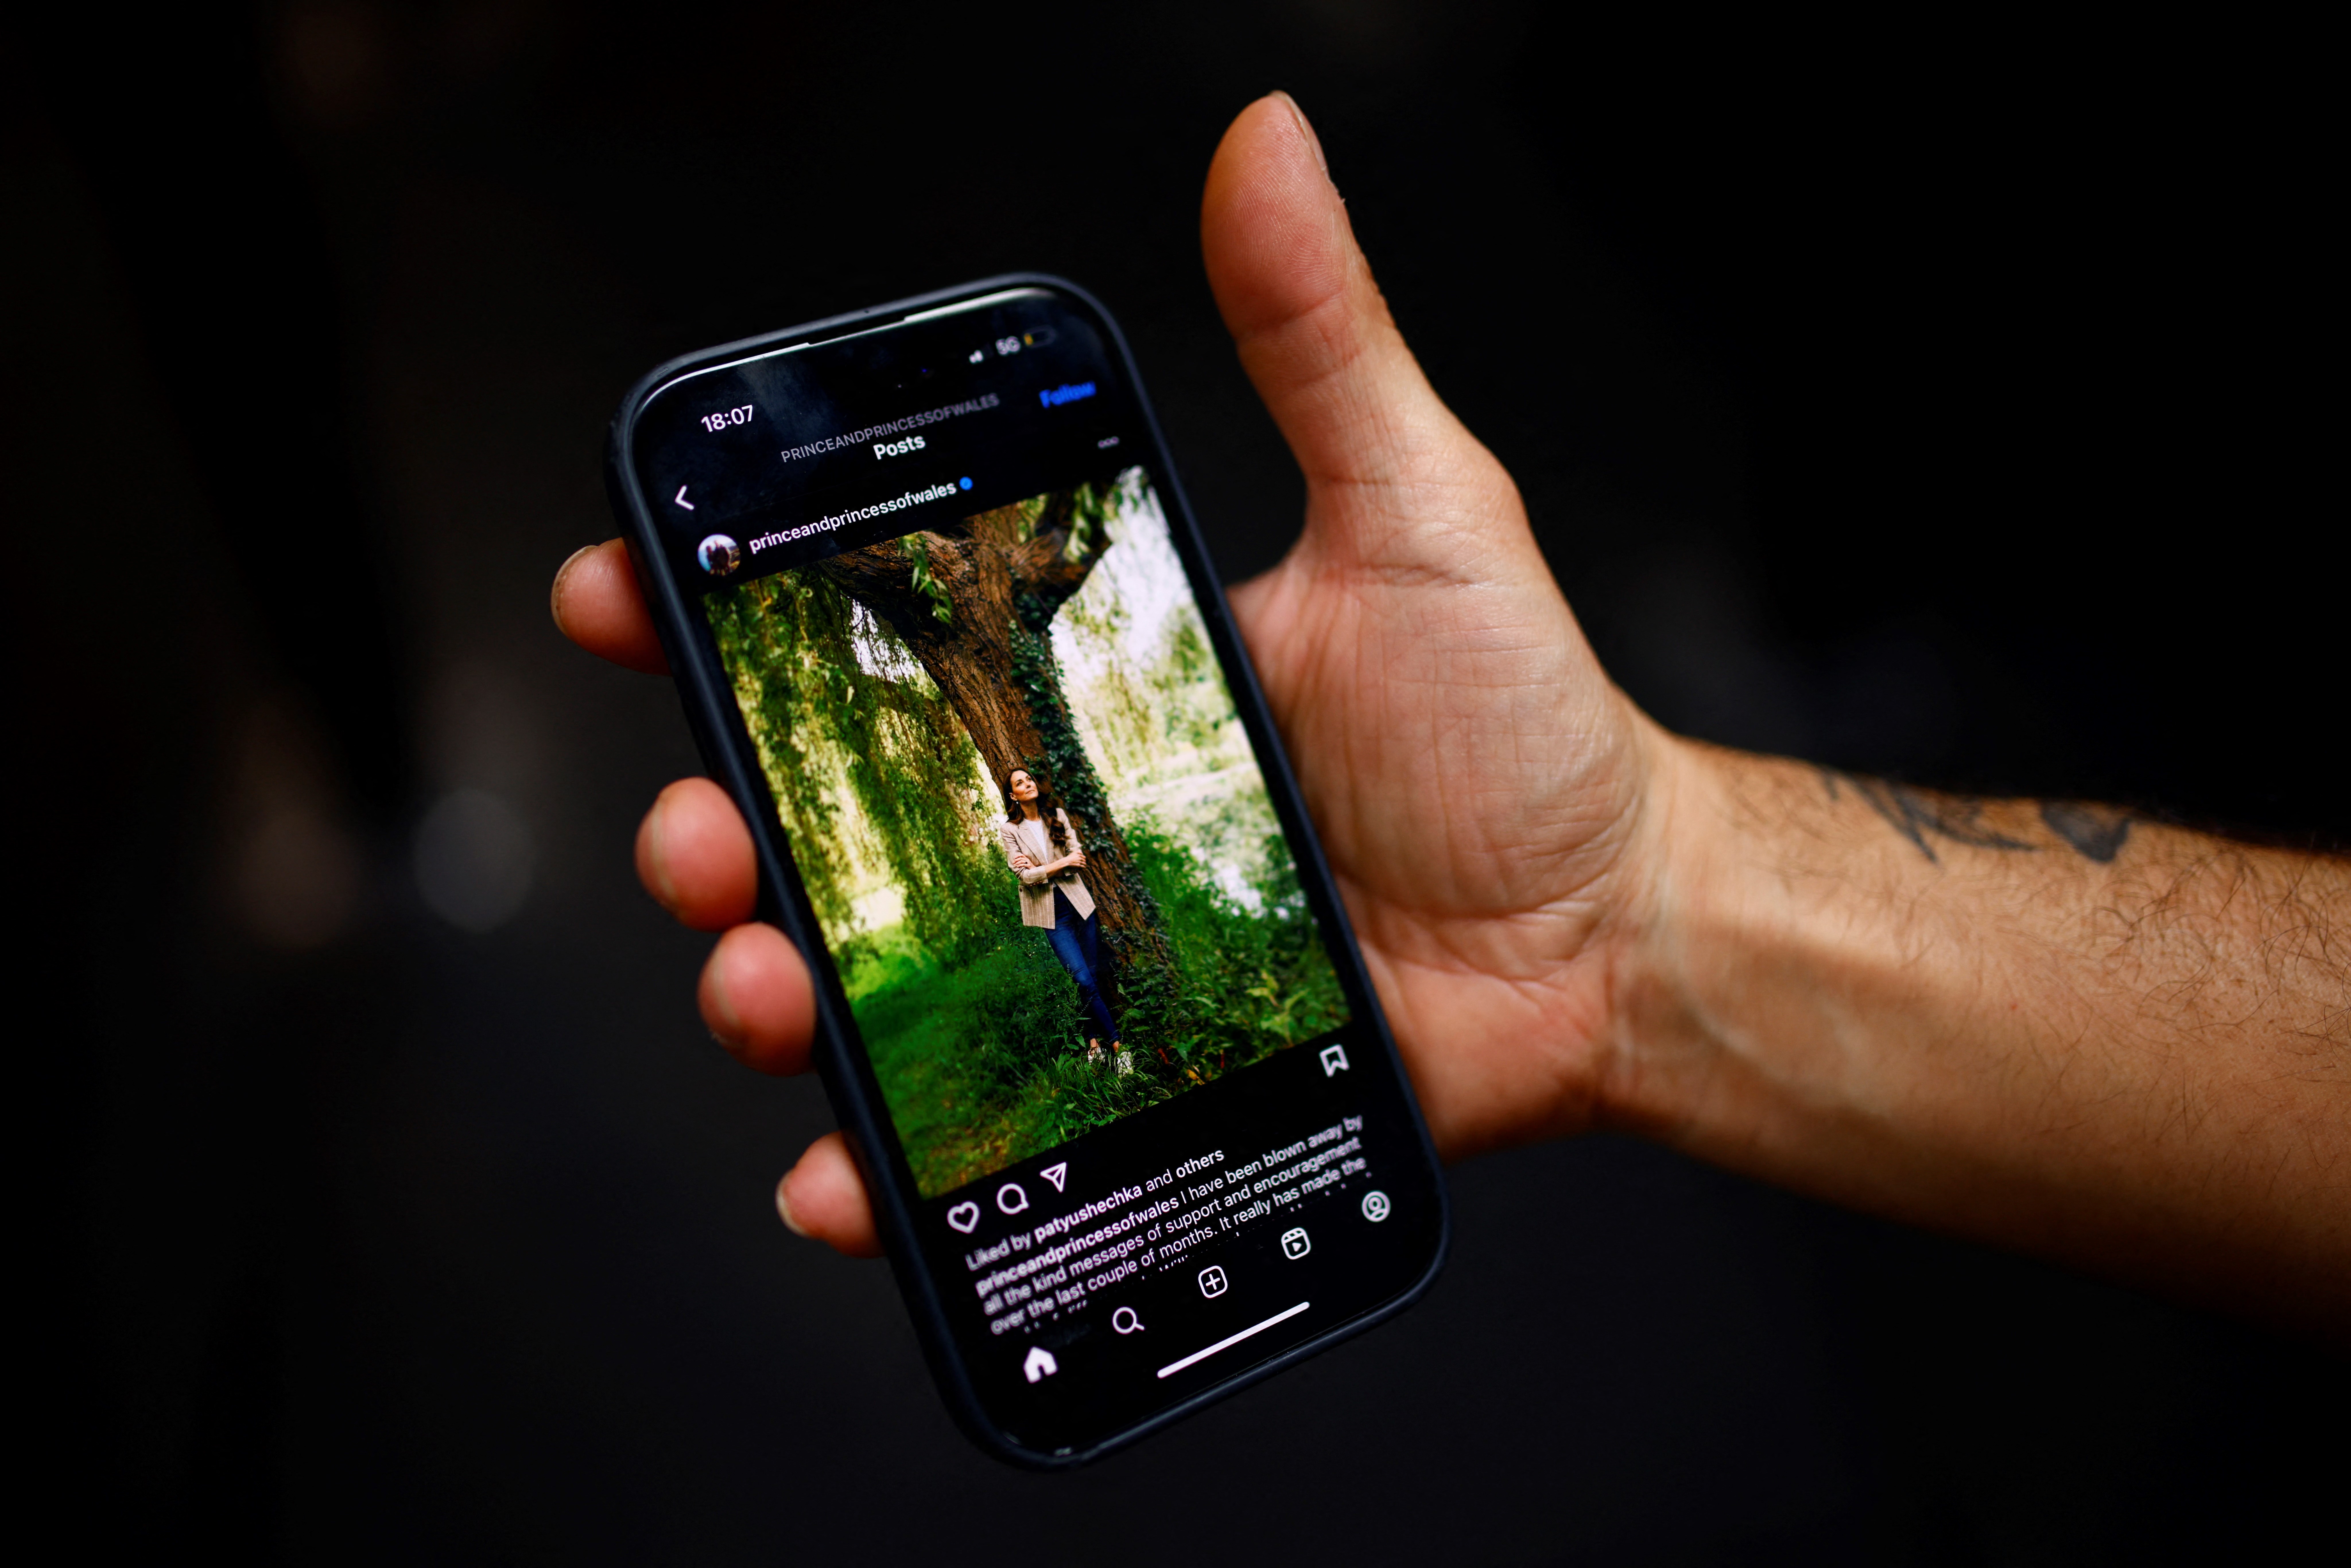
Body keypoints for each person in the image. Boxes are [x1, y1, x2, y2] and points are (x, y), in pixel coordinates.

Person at [552, 94, 2349, 1329]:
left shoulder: (1022, 633)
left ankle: (1122, 1043)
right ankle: (1115, 1044)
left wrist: (1637, 898)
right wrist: (1641, 904)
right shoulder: (983, 702)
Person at [998, 767, 1127, 1073]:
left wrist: (1046, 866)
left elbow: (1077, 858)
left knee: (1091, 977)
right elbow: (1026, 877)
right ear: (1013, 796)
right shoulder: (1009, 831)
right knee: (1081, 978)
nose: (1027, 784)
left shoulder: (1056, 816)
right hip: (1051, 914)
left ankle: (1093, 1043)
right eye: (1020, 783)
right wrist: (1061, 863)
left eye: (1029, 779)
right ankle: (1119, 1047)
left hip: (1080, 906)